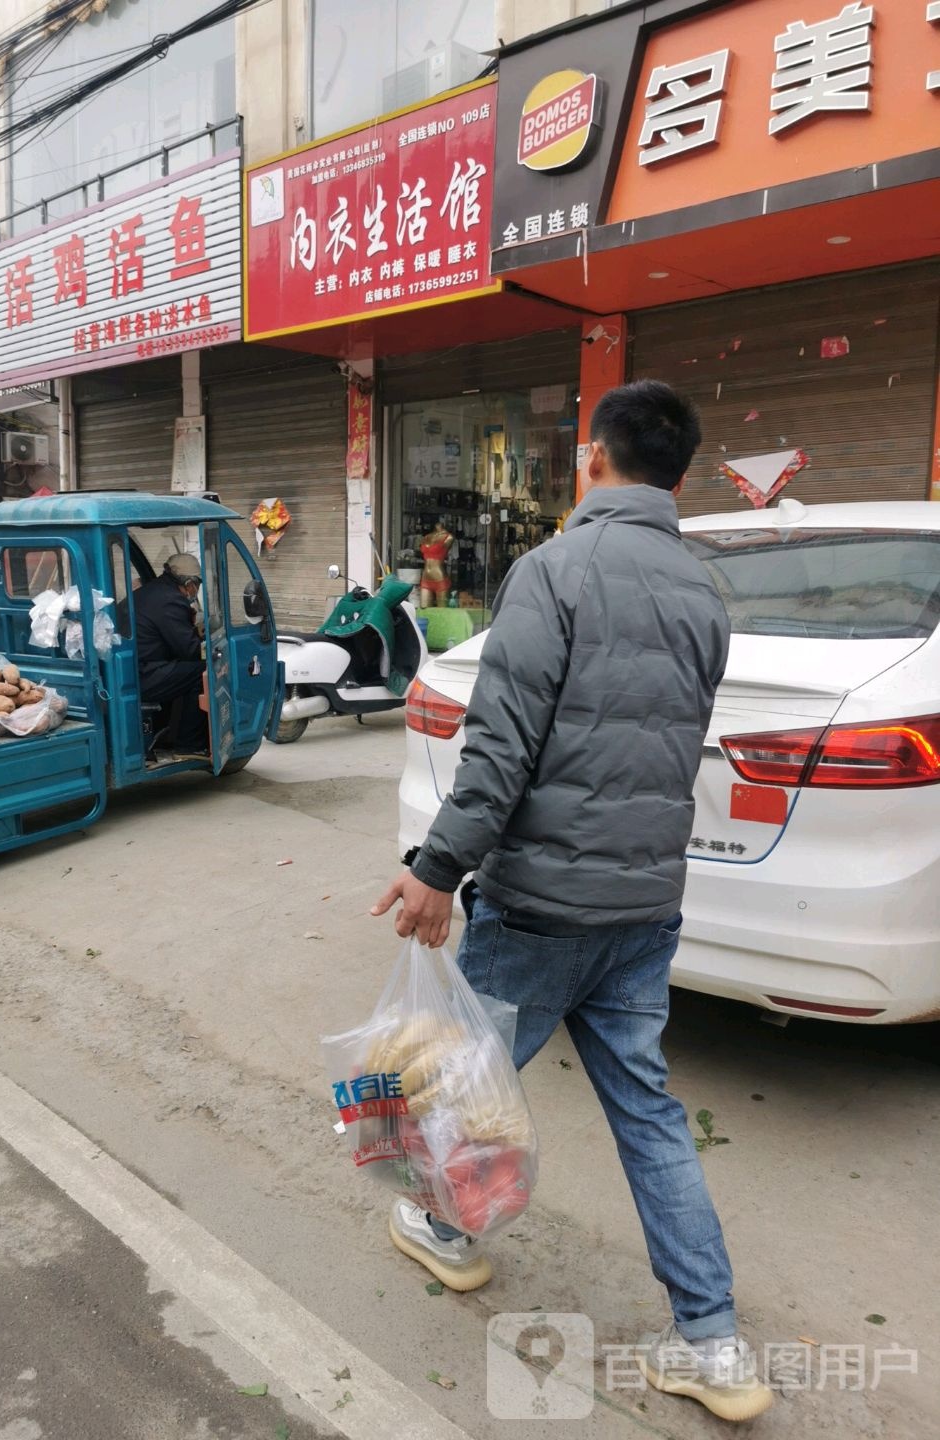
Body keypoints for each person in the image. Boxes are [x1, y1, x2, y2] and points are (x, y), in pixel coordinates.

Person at [373, 380, 772, 1423]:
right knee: (648, 1113)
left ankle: (449, 1233)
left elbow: (500, 750)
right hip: (643, 907)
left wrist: (435, 866)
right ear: (676, 475)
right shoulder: (702, 593)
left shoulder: (553, 571)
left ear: (592, 459)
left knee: (465, 1071)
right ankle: (713, 1344)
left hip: (546, 902)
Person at [132, 552, 209, 754]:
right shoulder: (171, 601)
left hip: (136, 667)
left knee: (181, 671)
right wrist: (202, 640)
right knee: (203, 673)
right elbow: (190, 650)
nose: (196, 591)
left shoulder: (152, 591)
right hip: (143, 674)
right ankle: (190, 745)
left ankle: (164, 732)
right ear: (190, 583)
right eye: (198, 585)